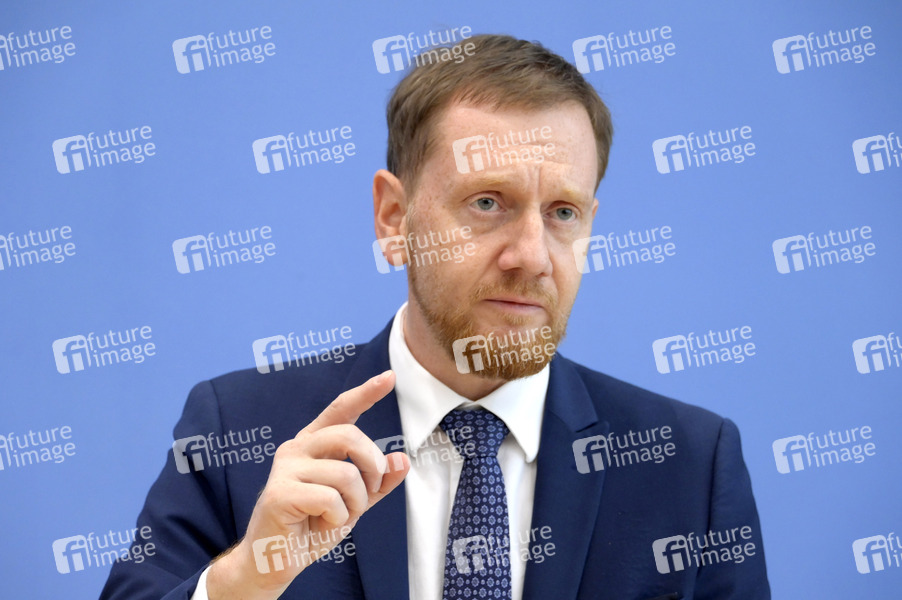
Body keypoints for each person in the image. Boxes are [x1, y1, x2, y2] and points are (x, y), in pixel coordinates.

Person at [101, 34, 770, 600]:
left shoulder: (690, 464)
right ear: (394, 219)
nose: (532, 256)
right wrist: (245, 578)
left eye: (562, 213)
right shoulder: (239, 432)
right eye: (488, 202)